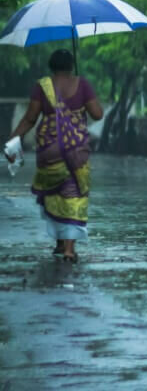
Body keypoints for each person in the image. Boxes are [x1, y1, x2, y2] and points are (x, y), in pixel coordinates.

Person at [4, 49, 103, 263]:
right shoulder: (83, 84)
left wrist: (12, 139)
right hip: (76, 148)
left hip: (49, 149)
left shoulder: (42, 87)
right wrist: (82, 101)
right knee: (73, 192)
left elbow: (30, 118)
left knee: (53, 193)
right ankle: (69, 249)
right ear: (70, 66)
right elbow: (97, 114)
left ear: (52, 66)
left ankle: (59, 242)